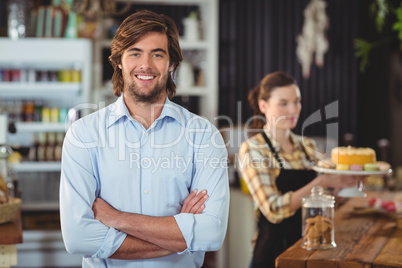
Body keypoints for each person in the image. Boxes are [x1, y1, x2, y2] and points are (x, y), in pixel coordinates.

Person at [60, 10, 229, 268]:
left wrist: (116, 218)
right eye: (135, 52)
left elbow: (211, 233)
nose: (146, 65)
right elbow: (77, 238)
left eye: (157, 54)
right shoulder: (84, 135)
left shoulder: (204, 136)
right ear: (118, 61)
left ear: (172, 63)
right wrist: (180, 233)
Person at [237, 71, 359, 268]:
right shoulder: (253, 149)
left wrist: (345, 186)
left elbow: (326, 203)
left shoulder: (308, 145)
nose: (293, 109)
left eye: (297, 101)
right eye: (284, 103)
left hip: (314, 250)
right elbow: (273, 209)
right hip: (274, 254)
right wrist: (320, 183)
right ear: (263, 105)